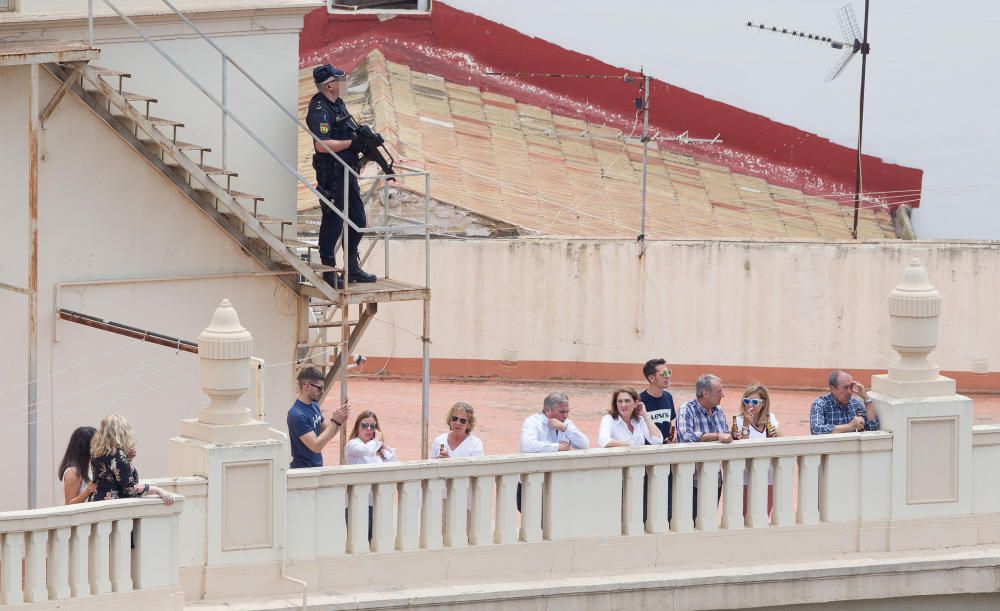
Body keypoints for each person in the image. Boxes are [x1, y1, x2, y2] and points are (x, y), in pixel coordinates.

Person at [305, 63, 377, 287]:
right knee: (333, 221)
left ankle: (352, 268)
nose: (343, 83)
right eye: (339, 80)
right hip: (332, 174)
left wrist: (364, 139)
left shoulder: (338, 104)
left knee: (357, 219)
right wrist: (350, 142)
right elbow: (321, 145)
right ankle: (328, 271)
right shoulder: (319, 108)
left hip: (347, 172)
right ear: (328, 86)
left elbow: (348, 132)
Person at [677, 374, 731, 519]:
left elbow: (726, 435)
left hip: (715, 477)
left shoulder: (719, 411)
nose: (723, 395)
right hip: (692, 478)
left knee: (709, 519)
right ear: (705, 393)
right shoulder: (687, 409)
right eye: (719, 392)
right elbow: (686, 437)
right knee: (690, 519)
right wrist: (717, 436)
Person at [89, 415, 174, 504]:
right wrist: (158, 490)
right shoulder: (118, 454)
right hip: (111, 505)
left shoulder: (96, 452)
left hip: (97, 500)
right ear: (121, 432)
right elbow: (129, 488)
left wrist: (127, 459)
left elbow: (110, 475)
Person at [345, 410, 396, 541]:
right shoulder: (353, 444)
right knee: (358, 540)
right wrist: (377, 442)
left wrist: (382, 444)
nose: (368, 429)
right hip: (357, 501)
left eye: (372, 426)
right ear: (357, 427)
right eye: (364, 425)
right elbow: (366, 451)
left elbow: (393, 461)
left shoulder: (376, 447)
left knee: (374, 540)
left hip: (375, 501)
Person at [731, 383, 781, 515]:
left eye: (755, 402)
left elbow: (779, 440)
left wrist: (776, 434)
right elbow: (742, 447)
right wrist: (746, 426)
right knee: (745, 514)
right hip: (746, 475)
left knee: (764, 513)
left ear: (763, 403)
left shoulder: (771, 419)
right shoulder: (739, 421)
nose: (750, 405)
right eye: (747, 401)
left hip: (768, 473)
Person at [287, 367, 350, 469]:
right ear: (307, 386)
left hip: (316, 467)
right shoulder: (296, 415)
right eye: (320, 388)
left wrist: (339, 421)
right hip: (303, 470)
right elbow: (316, 446)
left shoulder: (314, 406)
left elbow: (326, 432)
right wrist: (334, 421)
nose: (322, 391)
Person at [810, 370, 880, 435]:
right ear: (832, 388)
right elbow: (816, 430)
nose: (849, 392)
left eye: (851, 387)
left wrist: (866, 399)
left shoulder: (855, 403)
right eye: (845, 388)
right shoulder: (820, 404)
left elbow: (873, 428)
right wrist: (849, 426)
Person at [520, 392, 590, 453]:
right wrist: (558, 447)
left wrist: (565, 428)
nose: (565, 415)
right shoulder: (533, 422)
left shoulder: (566, 424)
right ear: (547, 410)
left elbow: (584, 445)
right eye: (561, 412)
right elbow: (527, 446)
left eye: (567, 412)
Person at [598, 387, 663, 448]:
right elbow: (603, 441)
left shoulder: (640, 419)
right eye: (620, 401)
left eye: (627, 401)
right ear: (616, 404)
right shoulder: (608, 419)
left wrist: (645, 415)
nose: (623, 405)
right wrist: (631, 446)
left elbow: (658, 441)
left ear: (635, 403)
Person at [639, 359, 677, 443]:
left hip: (665, 449)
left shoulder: (668, 397)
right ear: (651, 378)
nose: (668, 376)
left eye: (669, 372)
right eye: (664, 374)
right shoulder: (640, 401)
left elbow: (671, 423)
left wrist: (671, 438)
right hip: (646, 450)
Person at [58, 426, 97, 504]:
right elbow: (69, 504)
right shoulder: (72, 472)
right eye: (95, 443)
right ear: (86, 446)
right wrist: (87, 491)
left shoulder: (89, 467)